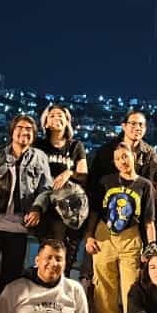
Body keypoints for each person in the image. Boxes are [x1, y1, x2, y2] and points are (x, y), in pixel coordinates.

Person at [0, 114, 53, 297]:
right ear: (12, 131)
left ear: (34, 135)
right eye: (20, 127)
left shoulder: (39, 157)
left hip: (18, 227)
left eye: (29, 129)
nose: (24, 132)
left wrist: (37, 208)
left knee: (10, 282)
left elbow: (46, 188)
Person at [83, 143, 157, 313]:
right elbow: (95, 212)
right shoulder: (106, 182)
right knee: (104, 289)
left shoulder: (144, 185)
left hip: (131, 237)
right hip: (104, 236)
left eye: (125, 156)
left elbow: (149, 221)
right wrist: (89, 236)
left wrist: (152, 248)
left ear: (133, 157)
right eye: (118, 159)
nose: (122, 161)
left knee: (131, 290)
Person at [35, 103, 88, 270]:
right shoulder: (39, 146)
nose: (56, 118)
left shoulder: (75, 146)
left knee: (66, 256)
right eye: (52, 116)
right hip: (46, 207)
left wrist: (69, 173)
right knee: (48, 255)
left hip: (69, 208)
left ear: (67, 121)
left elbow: (83, 175)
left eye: (61, 115)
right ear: (45, 122)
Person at [87, 110, 157, 211]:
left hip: (138, 204)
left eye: (141, 125)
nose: (138, 128)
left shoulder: (149, 152)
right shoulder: (107, 150)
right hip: (110, 204)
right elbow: (94, 178)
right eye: (133, 124)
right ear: (124, 126)